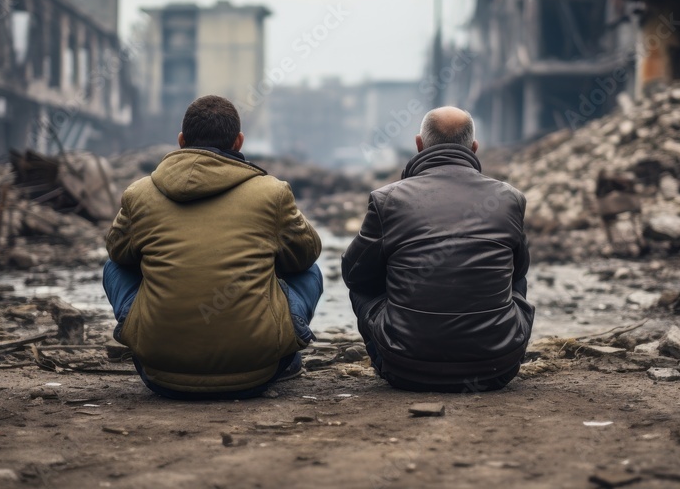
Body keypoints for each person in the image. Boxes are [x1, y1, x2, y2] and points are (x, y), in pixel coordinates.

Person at [103, 95, 323, 399]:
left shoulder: (139, 194)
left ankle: (158, 334)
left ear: (181, 141)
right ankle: (281, 347)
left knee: (114, 265)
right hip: (257, 371)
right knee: (310, 271)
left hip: (159, 372)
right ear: (238, 142)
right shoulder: (273, 192)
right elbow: (306, 254)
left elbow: (117, 253)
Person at [342, 106, 534, 392]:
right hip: (497, 368)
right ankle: (488, 345)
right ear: (474, 147)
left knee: (367, 276)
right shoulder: (509, 198)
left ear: (419, 145)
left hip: (405, 369)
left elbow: (355, 276)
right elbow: (518, 272)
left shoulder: (388, 199)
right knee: (516, 275)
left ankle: (407, 346)